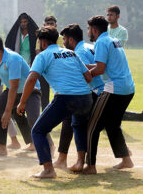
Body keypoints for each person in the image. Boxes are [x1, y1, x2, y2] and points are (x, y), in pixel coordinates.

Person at [16, 26, 93, 178]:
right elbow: (88, 77)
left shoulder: (43, 55)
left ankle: (48, 170)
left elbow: (31, 79)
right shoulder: (71, 53)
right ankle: (79, 162)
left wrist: (22, 102)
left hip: (66, 97)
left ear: (42, 42)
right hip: (86, 97)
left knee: (38, 131)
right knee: (78, 126)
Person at [0, 35, 42, 157]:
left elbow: (14, 86)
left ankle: (47, 146)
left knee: (32, 118)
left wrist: (7, 111)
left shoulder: (13, 59)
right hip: (13, 91)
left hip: (30, 91)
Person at [84, 15, 135, 174]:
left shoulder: (100, 42)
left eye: (89, 29)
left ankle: (90, 166)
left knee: (92, 126)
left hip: (114, 89)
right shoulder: (113, 40)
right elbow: (103, 65)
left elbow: (99, 70)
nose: (88, 32)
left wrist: (85, 75)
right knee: (112, 125)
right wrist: (83, 66)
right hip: (128, 88)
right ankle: (126, 160)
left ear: (94, 29)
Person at [53, 24, 104, 168]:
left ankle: (68, 160)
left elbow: (81, 78)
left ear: (71, 39)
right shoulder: (89, 47)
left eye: (64, 39)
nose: (63, 43)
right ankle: (68, 159)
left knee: (72, 120)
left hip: (94, 92)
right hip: (102, 91)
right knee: (75, 122)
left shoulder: (79, 53)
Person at [34, 16, 65, 110]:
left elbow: (58, 53)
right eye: (48, 24)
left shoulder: (59, 37)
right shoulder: (40, 37)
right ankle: (45, 112)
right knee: (44, 93)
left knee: (59, 92)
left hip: (56, 68)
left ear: (55, 25)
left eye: (52, 24)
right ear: (44, 25)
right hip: (44, 68)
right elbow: (38, 51)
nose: (50, 26)